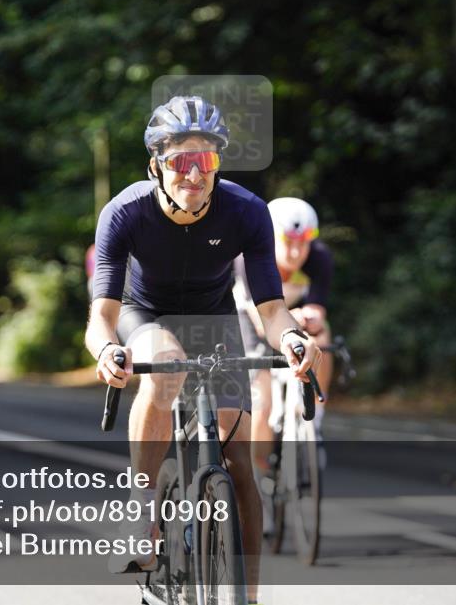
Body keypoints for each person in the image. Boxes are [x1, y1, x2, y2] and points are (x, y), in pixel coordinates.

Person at [85, 95, 321, 603]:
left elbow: (272, 309)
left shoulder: (247, 212)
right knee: (166, 366)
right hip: (144, 314)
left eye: (206, 161)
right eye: (180, 161)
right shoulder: (125, 211)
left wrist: (293, 338)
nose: (194, 174)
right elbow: (101, 318)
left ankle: (248, 596)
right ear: (157, 164)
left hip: (214, 320)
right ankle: (143, 506)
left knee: (240, 466)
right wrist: (107, 350)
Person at [233, 198, 335, 532]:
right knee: (263, 404)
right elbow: (263, 324)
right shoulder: (250, 259)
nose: (295, 253)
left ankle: (315, 415)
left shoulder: (319, 259)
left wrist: (313, 319)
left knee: (324, 337)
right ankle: (260, 476)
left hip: (292, 321)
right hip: (253, 322)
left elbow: (318, 308)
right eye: (288, 244)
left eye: (302, 244)